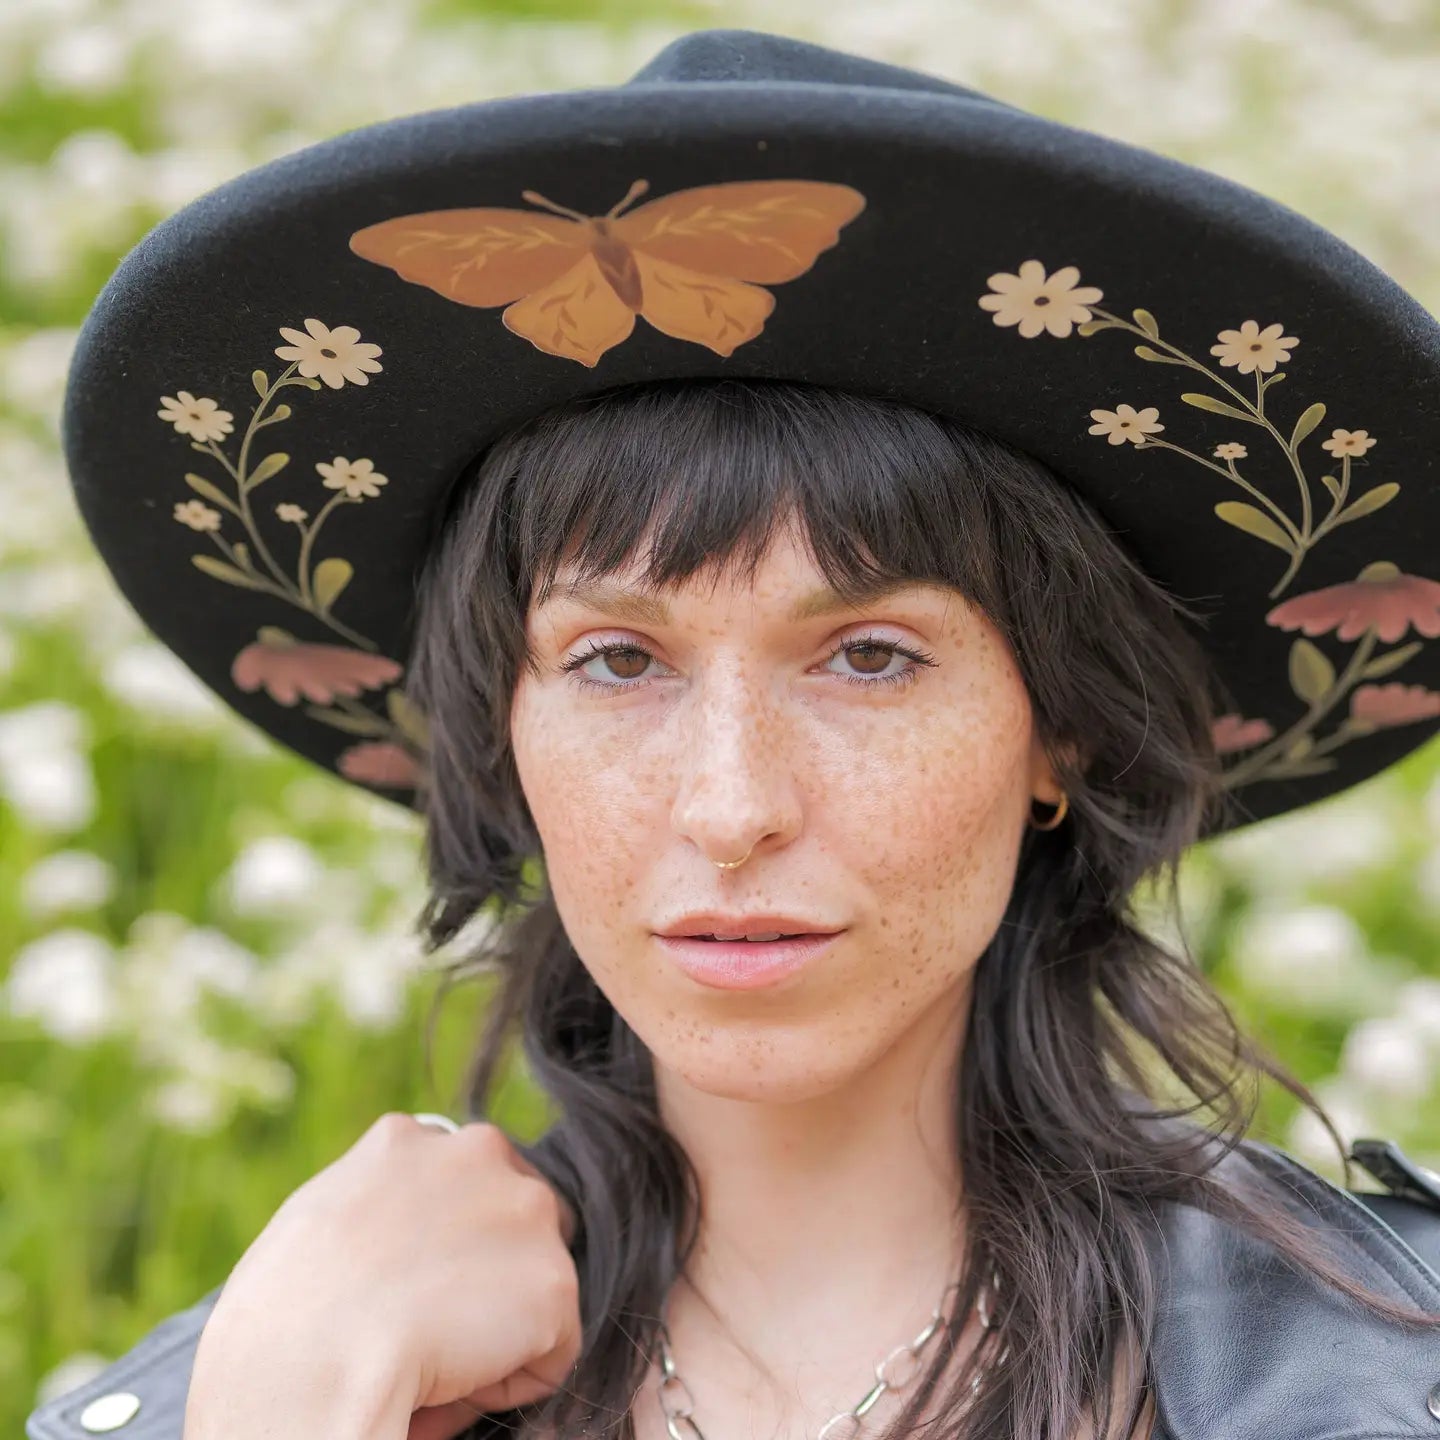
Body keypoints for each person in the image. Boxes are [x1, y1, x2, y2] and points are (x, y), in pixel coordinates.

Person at [24, 26, 1440, 1440]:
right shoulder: (279, 1376)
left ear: (1059, 732)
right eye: (617, 661)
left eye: (870, 658)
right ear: (503, 736)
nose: (730, 805)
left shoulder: (1376, 1376)